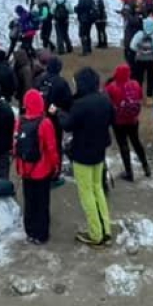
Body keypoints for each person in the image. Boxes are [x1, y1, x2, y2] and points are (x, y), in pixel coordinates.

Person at [58, 67, 115, 246]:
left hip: (82, 153)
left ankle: (95, 234)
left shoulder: (80, 105)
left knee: (86, 193)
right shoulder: (104, 100)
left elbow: (67, 125)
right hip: (99, 151)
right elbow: (112, 118)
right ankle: (105, 229)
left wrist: (58, 113)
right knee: (98, 189)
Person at [16, 89, 60, 244]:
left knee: (29, 201)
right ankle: (41, 234)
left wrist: (19, 167)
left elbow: (15, 146)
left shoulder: (20, 121)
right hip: (41, 170)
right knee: (42, 202)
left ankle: (30, 231)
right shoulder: (45, 122)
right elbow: (51, 148)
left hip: (26, 169)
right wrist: (56, 166)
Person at [105, 63, 151, 181]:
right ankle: (146, 167)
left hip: (118, 121)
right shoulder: (135, 84)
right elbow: (140, 98)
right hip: (133, 120)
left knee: (123, 145)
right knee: (136, 142)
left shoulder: (112, 87)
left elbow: (106, 100)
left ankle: (129, 172)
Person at [129, 17, 153, 100]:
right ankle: (149, 96)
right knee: (150, 78)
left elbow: (132, 46)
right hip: (151, 59)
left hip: (140, 59)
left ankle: (138, 96)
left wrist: (139, 50)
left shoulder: (139, 34)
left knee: (139, 78)